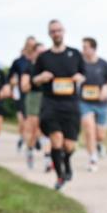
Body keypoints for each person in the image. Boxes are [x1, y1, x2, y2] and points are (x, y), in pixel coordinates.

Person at [31, 19, 85, 190]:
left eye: (59, 30)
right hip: (51, 104)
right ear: (49, 34)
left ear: (64, 31)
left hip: (70, 104)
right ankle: (60, 176)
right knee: (56, 139)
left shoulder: (75, 54)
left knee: (69, 145)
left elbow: (84, 74)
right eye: (53, 31)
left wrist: (80, 78)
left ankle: (66, 160)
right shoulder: (43, 57)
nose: (56, 33)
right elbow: (33, 80)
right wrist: (40, 78)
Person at [79, 37, 107, 172]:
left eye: (85, 47)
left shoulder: (104, 64)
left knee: (100, 135)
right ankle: (93, 158)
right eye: (83, 47)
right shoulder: (80, 64)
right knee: (89, 129)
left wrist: (106, 87)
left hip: (101, 104)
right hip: (84, 102)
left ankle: (99, 144)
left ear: (93, 48)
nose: (83, 50)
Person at [20, 41, 47, 170]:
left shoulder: (49, 66)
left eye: (44, 52)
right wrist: (37, 80)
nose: (42, 55)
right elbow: (24, 87)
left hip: (48, 98)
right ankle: (30, 149)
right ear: (34, 53)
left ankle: (48, 157)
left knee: (46, 128)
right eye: (39, 52)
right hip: (34, 98)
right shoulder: (29, 68)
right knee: (34, 128)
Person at [8, 37, 37, 153]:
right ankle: (23, 138)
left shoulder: (39, 61)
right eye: (29, 45)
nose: (31, 47)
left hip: (36, 96)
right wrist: (12, 84)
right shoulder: (18, 62)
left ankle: (32, 142)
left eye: (33, 45)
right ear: (26, 45)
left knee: (33, 122)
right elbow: (10, 77)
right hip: (21, 96)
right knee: (23, 122)